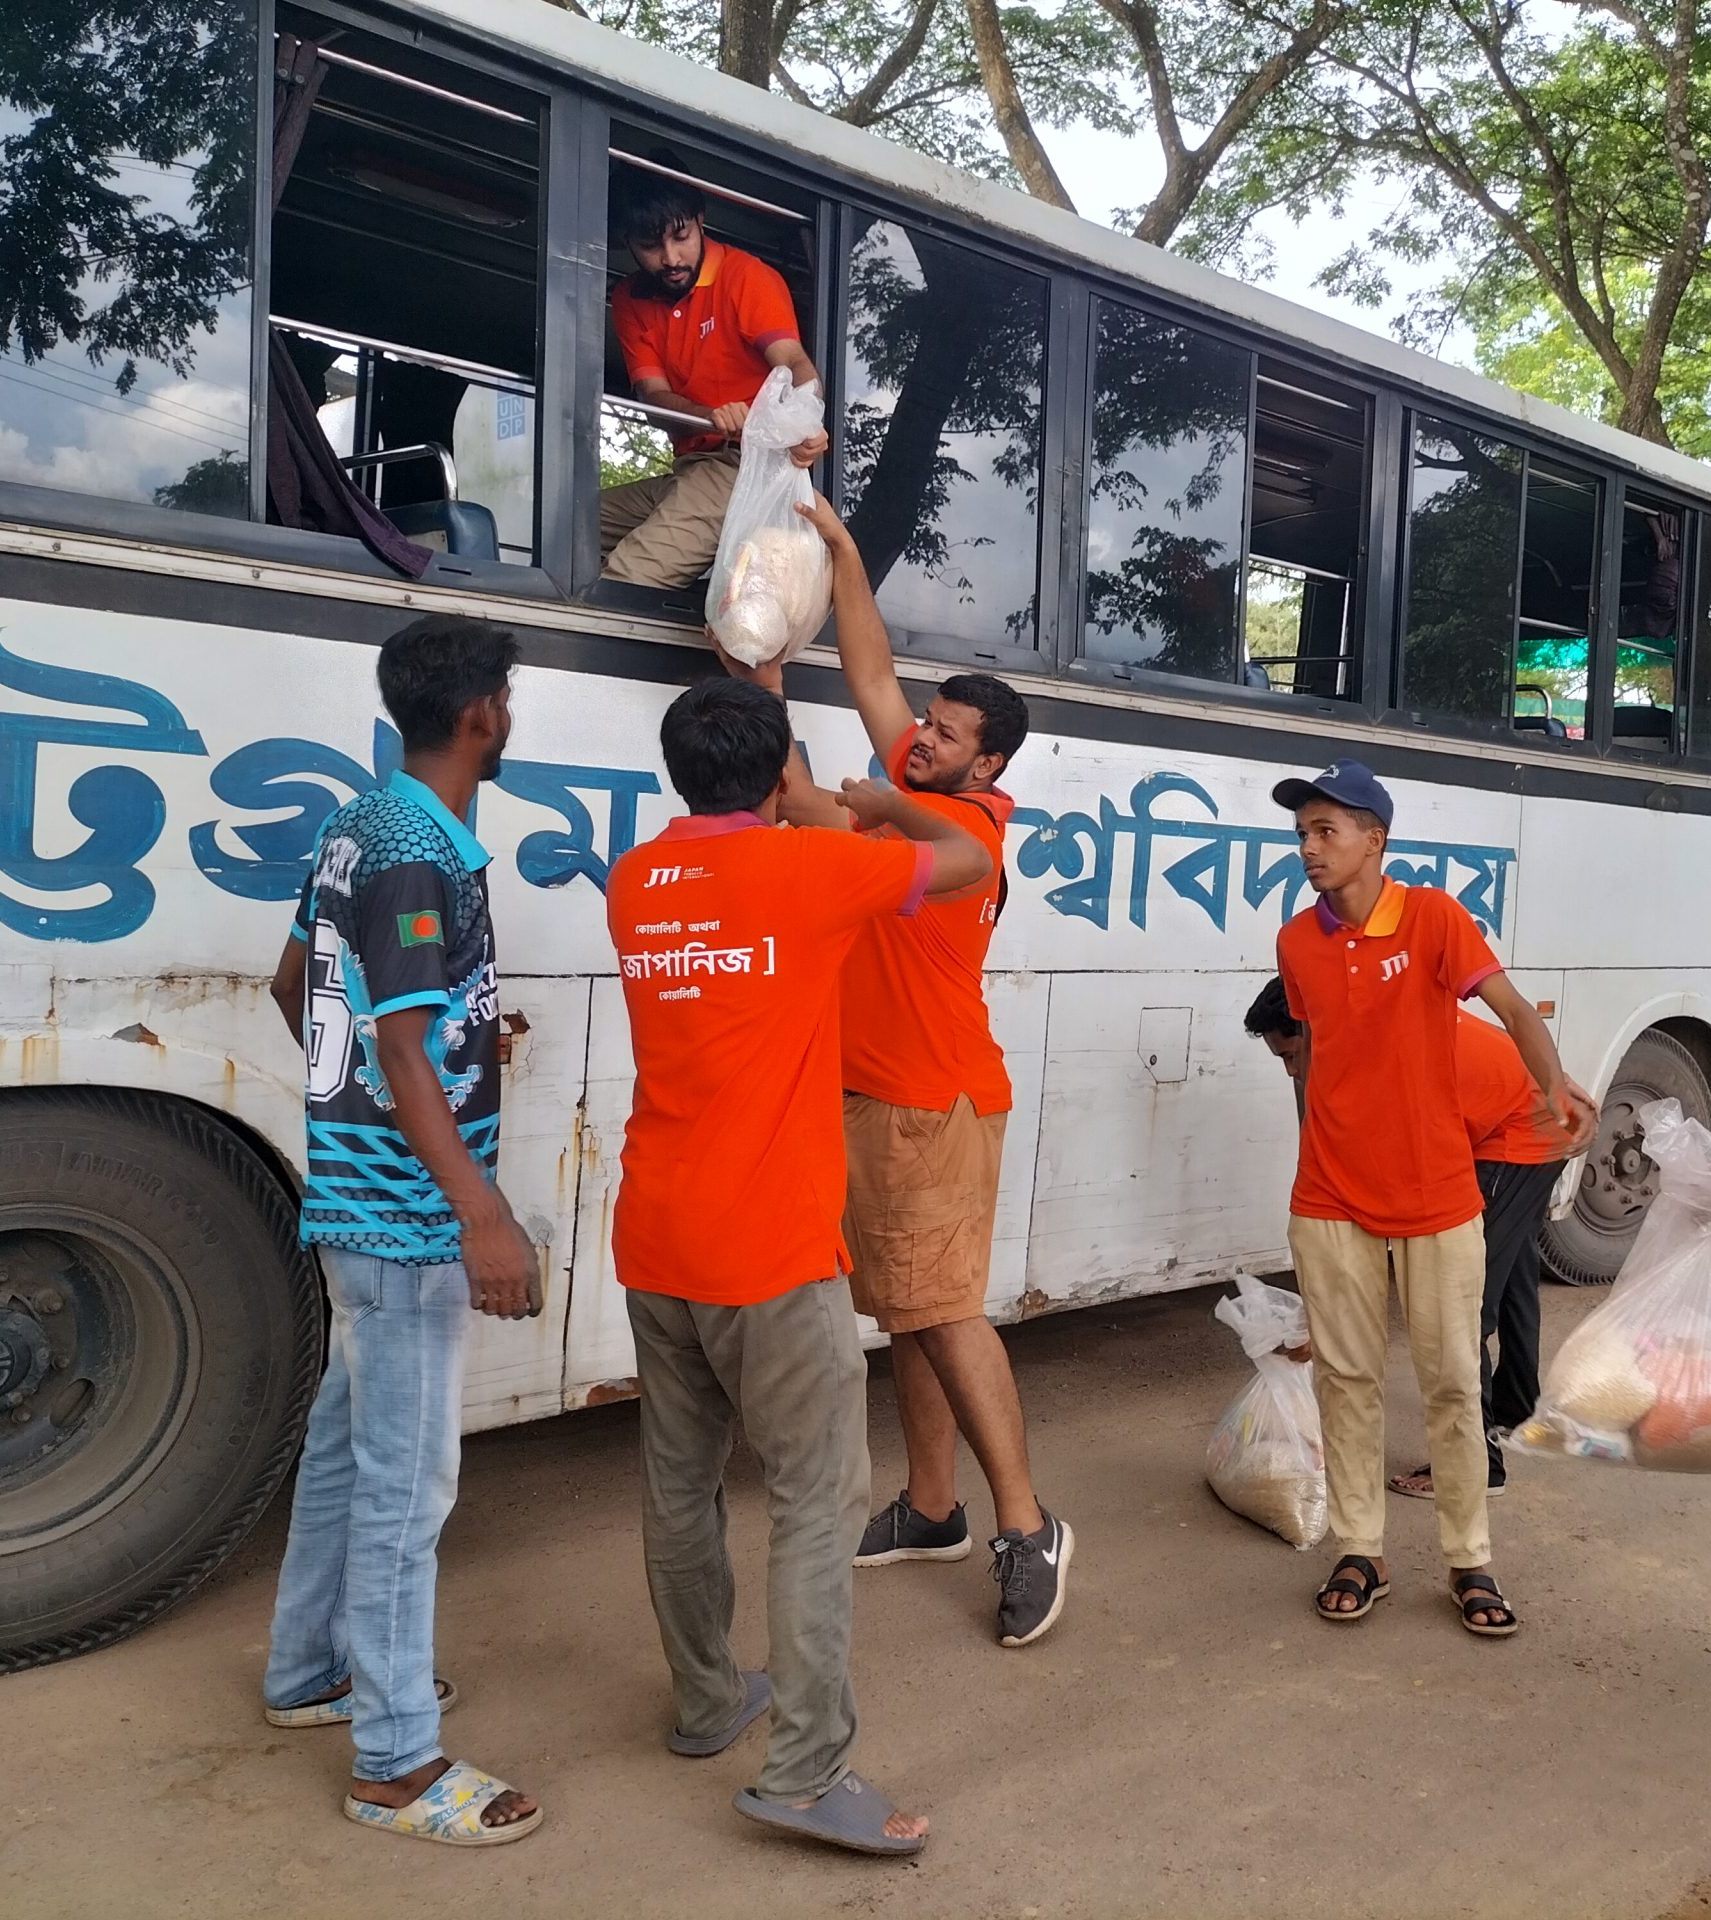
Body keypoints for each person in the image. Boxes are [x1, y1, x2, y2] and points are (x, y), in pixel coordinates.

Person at [604, 677, 989, 1858]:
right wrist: (840, 803)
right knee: (815, 1505)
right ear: (777, 774)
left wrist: (797, 798)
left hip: (656, 1236)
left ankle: (708, 1699)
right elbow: (966, 865)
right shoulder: (810, 870)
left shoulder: (633, 881)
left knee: (680, 1486)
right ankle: (809, 1774)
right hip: (770, 1249)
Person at [753, 494, 1072, 1647]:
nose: (920, 736)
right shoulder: (911, 781)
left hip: (931, 1108)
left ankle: (1026, 1525)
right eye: (926, 725)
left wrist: (761, 686)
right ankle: (932, 1510)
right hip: (875, 1100)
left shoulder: (967, 838)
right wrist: (841, 553)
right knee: (910, 1312)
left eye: (945, 735)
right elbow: (873, 665)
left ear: (988, 762)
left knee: (941, 1313)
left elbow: (807, 809)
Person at [259, 614, 543, 1848]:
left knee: (343, 1447)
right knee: (407, 1489)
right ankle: (393, 1765)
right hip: (414, 1222)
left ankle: (309, 1673)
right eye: (509, 701)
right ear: (482, 714)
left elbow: (295, 989)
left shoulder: (353, 824)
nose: (509, 719)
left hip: (352, 1200)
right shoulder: (422, 849)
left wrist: (361, 1120)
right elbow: (403, 1043)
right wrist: (478, 1212)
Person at [1271, 759, 1582, 1638]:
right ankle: (1360, 1548)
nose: (1309, 847)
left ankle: (1468, 1560)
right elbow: (1316, 1054)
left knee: (1450, 1381)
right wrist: (1316, 1146)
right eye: (1302, 833)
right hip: (1328, 1194)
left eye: (1327, 830)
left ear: (1377, 840)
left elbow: (1515, 1009)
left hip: (1438, 1193)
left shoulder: (1436, 918)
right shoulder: (1298, 942)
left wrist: (1553, 1087)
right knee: (1347, 1380)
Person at [1242, 981, 1591, 1500]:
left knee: (1462, 1301)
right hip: (1531, 1116)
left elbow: (1378, 1196)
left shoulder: (1386, 1063)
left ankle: (1477, 1466)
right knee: (1512, 1268)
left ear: (1318, 1032)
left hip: (1523, 1131)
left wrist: (1330, 1314)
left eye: (1292, 1055)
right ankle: (1518, 1412)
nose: (1291, 1071)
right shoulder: (1367, 1040)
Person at [598, 175, 828, 590]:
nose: (671, 258)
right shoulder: (630, 299)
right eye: (651, 246)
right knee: (564, 531)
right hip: (688, 469)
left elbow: (793, 360)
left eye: (681, 236)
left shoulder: (746, 277)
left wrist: (804, 417)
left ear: (701, 221)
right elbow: (654, 397)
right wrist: (710, 416)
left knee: (623, 582)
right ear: (627, 243)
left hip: (746, 466)